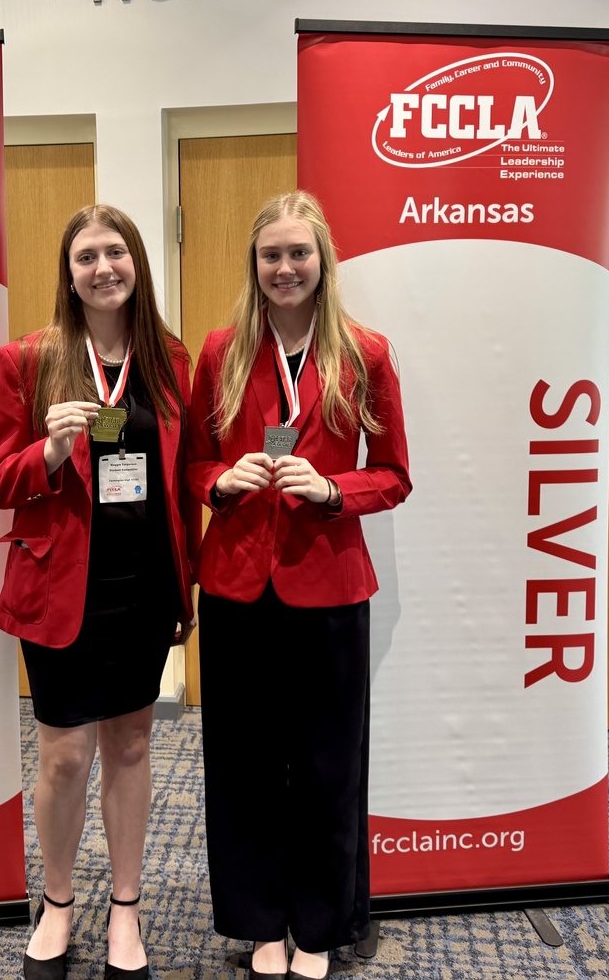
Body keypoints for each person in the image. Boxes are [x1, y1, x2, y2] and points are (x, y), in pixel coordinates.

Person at [185, 191, 411, 980]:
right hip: (239, 587)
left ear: (323, 261)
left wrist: (333, 490)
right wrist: (223, 478)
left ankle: (318, 923)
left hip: (330, 586)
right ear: (255, 264)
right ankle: (260, 920)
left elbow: (394, 474)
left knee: (326, 762)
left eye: (298, 253)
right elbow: (192, 464)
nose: (285, 267)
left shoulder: (366, 353)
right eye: (271, 254)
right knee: (244, 762)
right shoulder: (223, 351)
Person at [0, 204, 199, 980]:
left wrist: (188, 586)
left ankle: (127, 909)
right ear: (68, 275)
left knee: (133, 744)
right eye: (86, 257)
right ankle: (61, 901)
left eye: (115, 252)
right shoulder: (29, 359)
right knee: (66, 756)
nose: (103, 267)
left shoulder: (169, 358)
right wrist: (50, 448)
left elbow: (179, 480)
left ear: (136, 261)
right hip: (59, 587)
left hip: (142, 587)